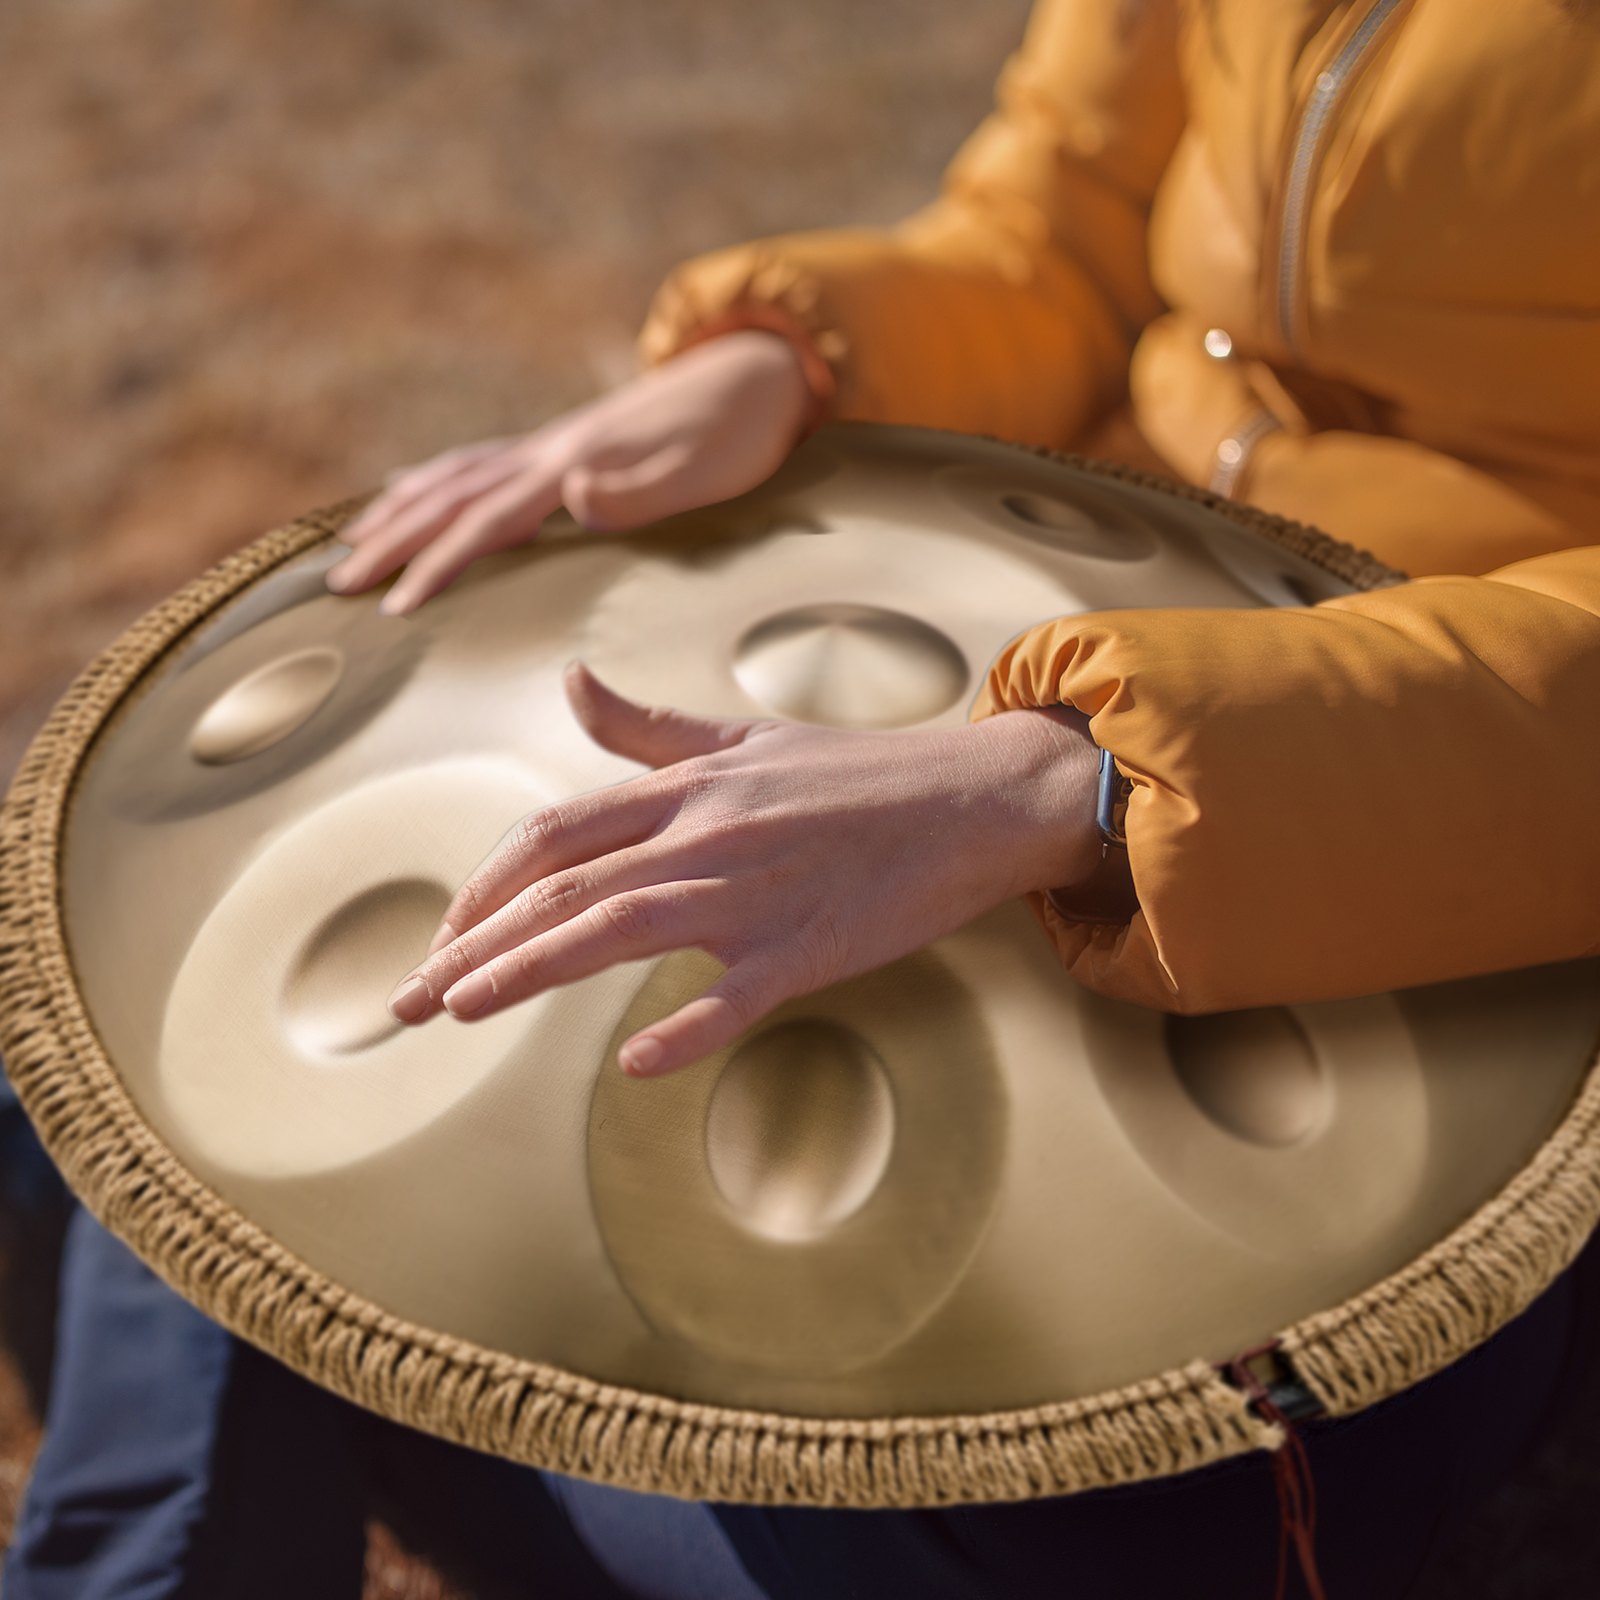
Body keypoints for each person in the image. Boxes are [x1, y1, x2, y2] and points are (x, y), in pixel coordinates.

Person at [8, 1, 1600, 1595]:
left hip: (1454, 857)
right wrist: (788, 357)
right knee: (269, 1009)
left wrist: (1095, 778)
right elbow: (1070, 225)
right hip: (1092, 622)